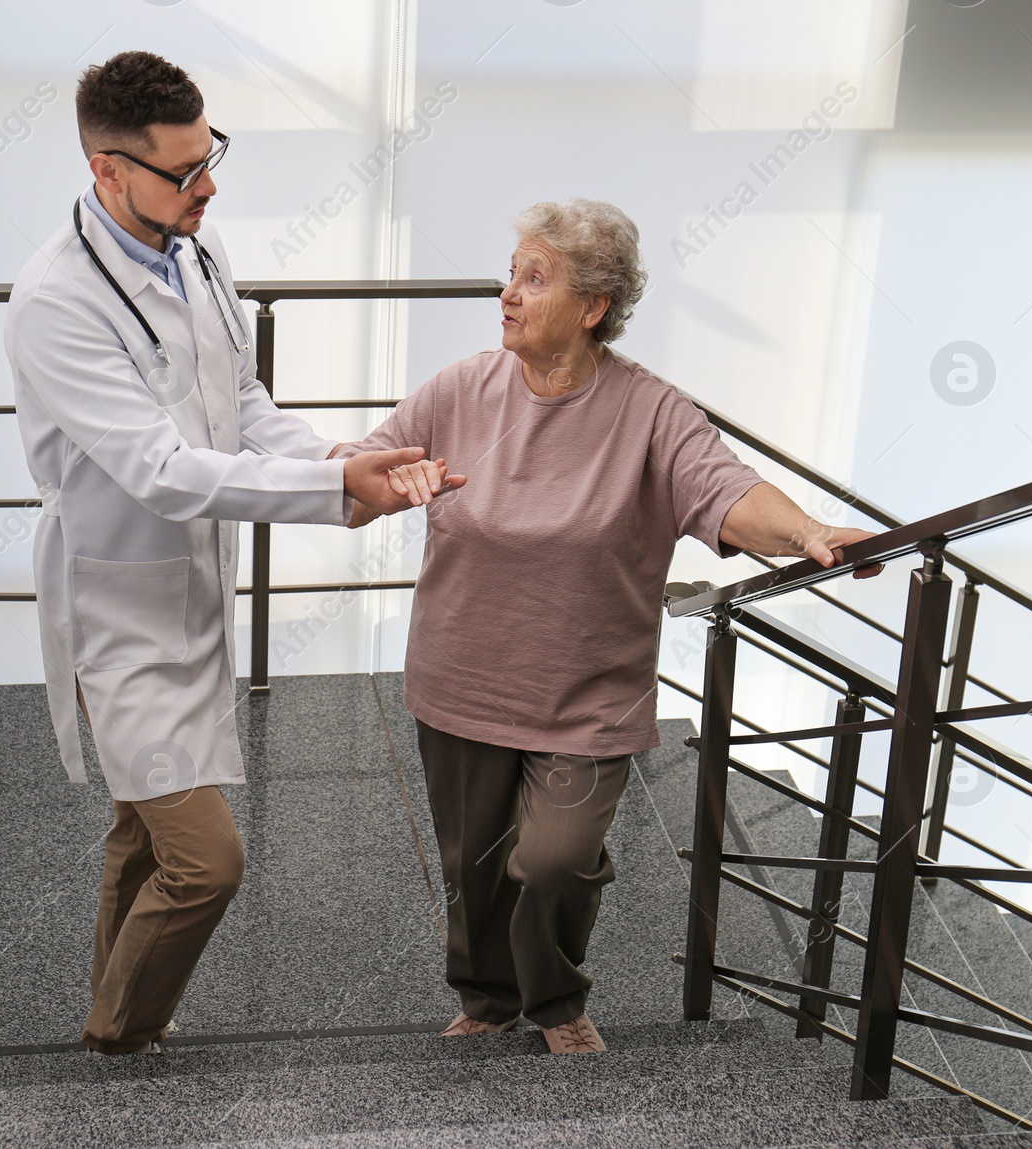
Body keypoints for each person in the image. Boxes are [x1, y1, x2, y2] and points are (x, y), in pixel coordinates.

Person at [340, 199, 880, 1054]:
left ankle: (555, 1000)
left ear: (593, 307)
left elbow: (725, 491)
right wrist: (372, 484)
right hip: (461, 679)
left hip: (586, 698)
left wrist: (805, 531)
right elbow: (364, 467)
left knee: (555, 861)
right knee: (473, 867)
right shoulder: (459, 389)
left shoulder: (651, 414)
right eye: (512, 272)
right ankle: (486, 997)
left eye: (535, 278)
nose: (509, 293)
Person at [3, 51, 461, 1055]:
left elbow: (239, 406)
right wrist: (336, 489)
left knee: (143, 829)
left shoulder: (194, 254)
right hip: (116, 609)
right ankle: (125, 1033)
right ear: (107, 171)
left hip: (191, 584)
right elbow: (162, 469)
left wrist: (335, 455)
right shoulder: (54, 301)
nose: (208, 186)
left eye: (211, 159)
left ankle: (108, 1012)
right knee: (205, 862)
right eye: (183, 172)